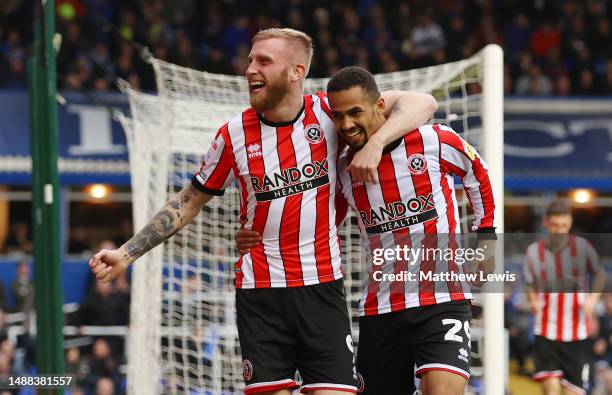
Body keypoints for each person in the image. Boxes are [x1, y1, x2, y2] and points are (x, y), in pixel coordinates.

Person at [89, 28, 438, 395]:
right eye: (250, 60)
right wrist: (126, 253)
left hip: (322, 290)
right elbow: (189, 200)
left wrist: (376, 144)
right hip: (261, 294)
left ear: (296, 71)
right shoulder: (233, 135)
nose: (250, 69)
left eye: (263, 61)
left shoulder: (329, 115)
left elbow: (423, 102)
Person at [237, 66, 496, 395]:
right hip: (381, 308)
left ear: (380, 106)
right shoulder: (344, 169)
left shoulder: (435, 140)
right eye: (339, 116)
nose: (346, 124)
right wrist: (255, 237)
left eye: (355, 112)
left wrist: (487, 240)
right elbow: (317, 220)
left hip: (442, 298)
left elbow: (479, 174)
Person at [525, 199, 605, 395]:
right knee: (550, 390)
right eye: (555, 225)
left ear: (569, 223)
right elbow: (529, 282)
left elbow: (600, 275)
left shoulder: (583, 248)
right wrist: (532, 299)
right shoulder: (534, 252)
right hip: (546, 329)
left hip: (577, 332)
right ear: (546, 223)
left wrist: (593, 299)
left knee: (573, 391)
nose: (560, 230)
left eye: (564, 225)